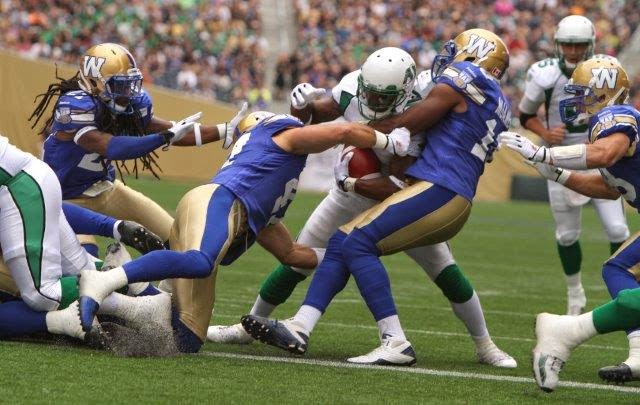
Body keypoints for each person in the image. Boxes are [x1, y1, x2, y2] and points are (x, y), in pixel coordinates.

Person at [208, 47, 515, 368]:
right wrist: (302, 107)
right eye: (370, 91)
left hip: (395, 198)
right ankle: (250, 325)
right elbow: (309, 124)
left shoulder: (421, 110)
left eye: (385, 97)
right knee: (296, 258)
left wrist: (356, 179)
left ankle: (486, 345)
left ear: (406, 91)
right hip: (348, 194)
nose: (374, 101)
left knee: (444, 270)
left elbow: (399, 179)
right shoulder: (353, 85)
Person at [77, 109, 411, 353]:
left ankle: (119, 302)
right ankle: (107, 280)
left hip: (223, 210)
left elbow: (291, 254)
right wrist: (389, 141)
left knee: (187, 339)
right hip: (218, 200)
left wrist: (343, 254)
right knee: (200, 261)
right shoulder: (281, 132)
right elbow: (342, 132)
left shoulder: (268, 176)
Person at [501, 57, 640, 388]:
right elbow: (607, 188)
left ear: (604, 93)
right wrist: (558, 173)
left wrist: (545, 155)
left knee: (618, 269)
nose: (575, 100)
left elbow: (604, 155)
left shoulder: (616, 116)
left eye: (583, 93)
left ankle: (565, 331)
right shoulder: (608, 125)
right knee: (618, 268)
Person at [29, 42, 244, 253]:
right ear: (94, 82)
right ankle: (126, 281)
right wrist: (162, 138)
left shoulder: (128, 105)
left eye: (129, 84)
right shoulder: (75, 105)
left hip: (105, 189)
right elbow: (111, 147)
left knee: (176, 238)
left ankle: (162, 284)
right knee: (86, 254)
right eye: (119, 85)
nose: (127, 92)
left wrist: (223, 130)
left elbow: (176, 130)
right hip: (65, 198)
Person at [0, 132, 167, 342]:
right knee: (83, 270)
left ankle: (134, 308)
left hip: (19, 189)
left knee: (42, 293)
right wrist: (113, 227)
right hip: (32, 181)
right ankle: (143, 293)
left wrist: (112, 227)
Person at [518, 15, 630, 316]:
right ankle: (574, 293)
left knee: (618, 228)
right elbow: (525, 115)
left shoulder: (604, 70)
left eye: (578, 45)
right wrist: (543, 133)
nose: (572, 51)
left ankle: (626, 294)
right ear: (558, 44)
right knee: (567, 235)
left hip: (599, 154)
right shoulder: (544, 74)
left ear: (590, 44)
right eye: (567, 44)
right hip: (562, 153)